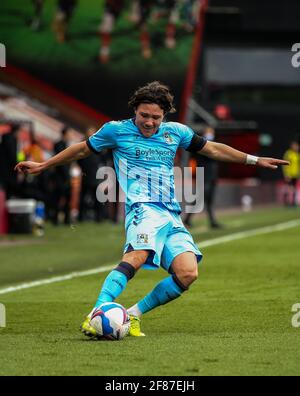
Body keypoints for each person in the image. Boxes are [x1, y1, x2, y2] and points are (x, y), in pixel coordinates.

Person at [15, 81, 289, 338]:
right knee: (137, 256)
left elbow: (213, 150)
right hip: (142, 209)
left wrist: (253, 159)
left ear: (164, 116)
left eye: (156, 117)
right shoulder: (115, 130)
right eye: (144, 115)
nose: (149, 122)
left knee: (187, 273)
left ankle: (132, 315)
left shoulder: (176, 132)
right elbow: (81, 150)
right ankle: (96, 312)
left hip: (170, 213)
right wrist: (43, 165)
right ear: (135, 110)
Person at [184, 126, 222, 229]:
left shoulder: (212, 143)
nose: (211, 134)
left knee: (208, 199)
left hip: (212, 175)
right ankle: (187, 219)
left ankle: (211, 222)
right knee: (199, 198)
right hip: (203, 174)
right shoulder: (200, 145)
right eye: (209, 132)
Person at [77, 127, 108, 222]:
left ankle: (99, 218)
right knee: (83, 198)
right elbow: (79, 160)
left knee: (98, 199)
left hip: (96, 177)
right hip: (86, 176)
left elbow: (103, 161)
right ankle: (81, 217)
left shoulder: (99, 146)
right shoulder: (83, 145)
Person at [283, 141, 300, 207]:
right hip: (289, 175)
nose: (297, 147)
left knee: (294, 189)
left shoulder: (297, 154)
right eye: (295, 146)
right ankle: (287, 202)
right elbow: (285, 164)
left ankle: (293, 203)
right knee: (289, 189)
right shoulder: (288, 153)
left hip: (295, 174)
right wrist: (286, 174)